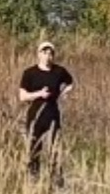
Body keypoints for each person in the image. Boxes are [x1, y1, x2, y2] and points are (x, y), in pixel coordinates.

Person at [17, 40, 74, 180]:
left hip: (52, 114)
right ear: (38, 54)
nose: (48, 56)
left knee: (55, 148)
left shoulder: (59, 71)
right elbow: (22, 96)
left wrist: (64, 93)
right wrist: (39, 94)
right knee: (34, 148)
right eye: (44, 52)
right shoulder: (30, 73)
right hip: (35, 115)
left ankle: (55, 178)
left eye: (50, 53)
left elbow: (71, 83)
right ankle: (33, 177)